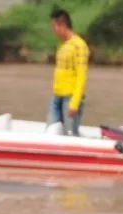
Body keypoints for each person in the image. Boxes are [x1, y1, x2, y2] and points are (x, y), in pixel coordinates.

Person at [47, 8, 88, 136]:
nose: (53, 30)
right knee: (51, 130)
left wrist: (75, 103)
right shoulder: (63, 45)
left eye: (54, 26)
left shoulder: (79, 46)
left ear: (62, 25)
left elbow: (82, 76)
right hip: (57, 96)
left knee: (70, 134)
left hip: (70, 98)